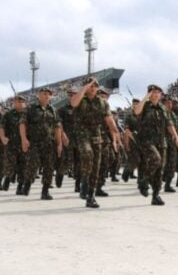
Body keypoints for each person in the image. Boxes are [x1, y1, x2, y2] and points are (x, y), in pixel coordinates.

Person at [71, 78, 120, 208]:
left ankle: (90, 196)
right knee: (87, 154)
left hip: (97, 135)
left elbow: (109, 120)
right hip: (82, 134)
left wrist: (115, 132)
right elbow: (73, 102)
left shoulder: (102, 102)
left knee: (96, 167)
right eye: (90, 86)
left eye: (95, 86)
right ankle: (84, 181)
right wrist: (84, 88)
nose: (92, 88)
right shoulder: (80, 98)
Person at [134, 84, 178, 205]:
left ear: (160, 95)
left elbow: (169, 124)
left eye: (157, 92)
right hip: (147, 140)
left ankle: (155, 195)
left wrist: (176, 138)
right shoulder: (144, 105)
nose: (155, 94)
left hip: (161, 141)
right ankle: (143, 180)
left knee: (160, 171)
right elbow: (136, 111)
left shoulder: (163, 108)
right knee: (156, 159)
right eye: (153, 92)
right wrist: (146, 97)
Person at [19, 87, 63, 199]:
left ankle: (45, 191)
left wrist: (59, 144)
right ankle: (27, 183)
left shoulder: (53, 110)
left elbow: (57, 128)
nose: (47, 95)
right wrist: (24, 139)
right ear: (39, 95)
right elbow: (22, 124)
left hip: (49, 143)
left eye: (49, 94)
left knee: (49, 167)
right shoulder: (30, 109)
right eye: (44, 93)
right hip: (34, 142)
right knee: (32, 165)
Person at [0, 95, 27, 194]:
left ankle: (20, 187)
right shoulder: (8, 115)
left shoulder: (28, 114)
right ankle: (7, 178)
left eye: (21, 101)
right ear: (14, 103)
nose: (19, 103)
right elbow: (2, 127)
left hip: (24, 144)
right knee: (10, 164)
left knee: (23, 166)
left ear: (25, 103)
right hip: (11, 144)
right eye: (17, 101)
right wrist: (3, 137)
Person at [57, 87, 78, 191]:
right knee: (67, 161)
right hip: (68, 138)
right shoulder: (62, 109)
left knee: (81, 162)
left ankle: (78, 185)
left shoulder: (82, 108)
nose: (72, 96)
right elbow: (59, 123)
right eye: (70, 95)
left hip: (80, 139)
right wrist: (63, 135)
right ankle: (60, 174)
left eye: (74, 94)